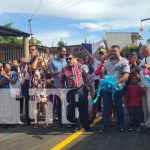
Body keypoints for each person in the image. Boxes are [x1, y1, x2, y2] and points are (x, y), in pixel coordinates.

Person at [99, 45, 130, 133]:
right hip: (107, 89)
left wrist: (117, 82)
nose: (112, 53)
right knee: (106, 107)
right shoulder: (107, 62)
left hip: (118, 88)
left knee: (118, 106)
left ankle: (121, 125)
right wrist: (104, 80)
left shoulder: (124, 61)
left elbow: (126, 75)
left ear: (119, 51)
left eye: (114, 51)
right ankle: (105, 125)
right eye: (111, 51)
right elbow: (104, 72)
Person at [61, 53, 91, 132]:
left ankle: (86, 126)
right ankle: (77, 125)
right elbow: (61, 81)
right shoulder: (64, 69)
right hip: (71, 91)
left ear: (74, 59)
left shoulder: (80, 66)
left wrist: (86, 86)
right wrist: (62, 90)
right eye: (67, 59)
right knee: (72, 110)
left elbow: (87, 77)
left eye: (70, 58)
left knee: (83, 109)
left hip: (81, 90)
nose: (68, 60)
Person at [49, 46, 67, 126]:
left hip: (67, 86)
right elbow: (51, 73)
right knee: (59, 104)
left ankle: (67, 119)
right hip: (57, 86)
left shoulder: (67, 59)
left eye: (65, 51)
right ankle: (60, 121)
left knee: (67, 103)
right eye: (63, 51)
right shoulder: (53, 61)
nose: (64, 53)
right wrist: (59, 72)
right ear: (59, 51)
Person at [139, 45, 150, 128]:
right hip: (143, 86)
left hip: (149, 86)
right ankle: (147, 124)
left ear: (146, 50)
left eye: (141, 50)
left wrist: (148, 66)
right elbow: (139, 69)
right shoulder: (143, 60)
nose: (140, 52)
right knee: (145, 107)